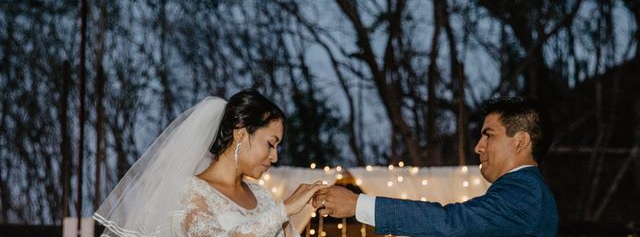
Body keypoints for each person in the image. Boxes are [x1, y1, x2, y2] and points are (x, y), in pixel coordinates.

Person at [313, 96, 558, 237]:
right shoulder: (523, 191)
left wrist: (358, 204)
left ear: (521, 142)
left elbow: (451, 223)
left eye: (489, 135)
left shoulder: (525, 193)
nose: (478, 147)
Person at [94, 89, 325, 237]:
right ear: (241, 134)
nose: (274, 157)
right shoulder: (189, 192)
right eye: (270, 144)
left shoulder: (263, 197)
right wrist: (284, 210)